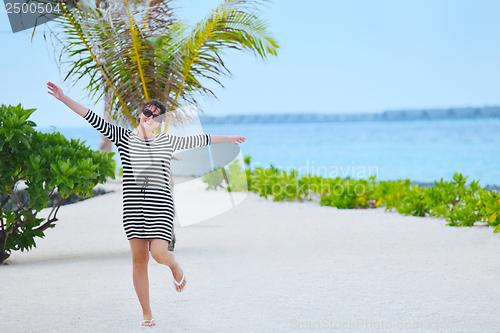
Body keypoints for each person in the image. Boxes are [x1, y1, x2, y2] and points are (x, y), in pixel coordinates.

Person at [47, 81, 246, 327]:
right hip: (133, 209)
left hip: (161, 206)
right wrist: (63, 98)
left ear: (160, 121)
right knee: (139, 260)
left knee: (160, 253)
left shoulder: (166, 141)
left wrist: (228, 138)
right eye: (147, 112)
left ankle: (175, 265)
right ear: (141, 114)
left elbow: (200, 139)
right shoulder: (122, 137)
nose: (150, 116)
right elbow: (91, 116)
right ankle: (147, 313)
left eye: (156, 115)